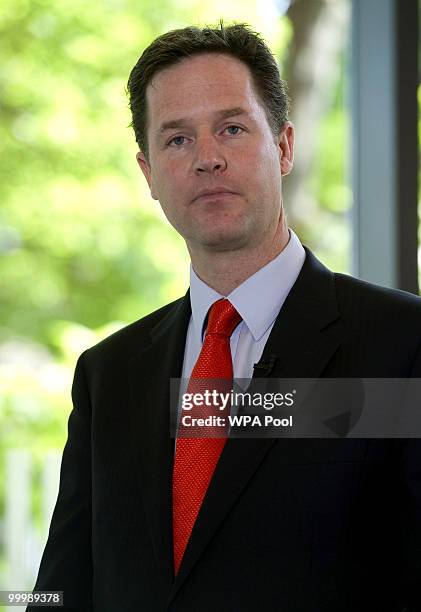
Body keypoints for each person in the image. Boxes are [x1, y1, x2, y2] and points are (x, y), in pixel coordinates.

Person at [28, 23, 421, 612]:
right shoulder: (108, 376)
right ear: (148, 173)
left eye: (231, 129)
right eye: (178, 140)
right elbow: (60, 591)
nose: (207, 158)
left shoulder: (402, 344)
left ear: (284, 146)